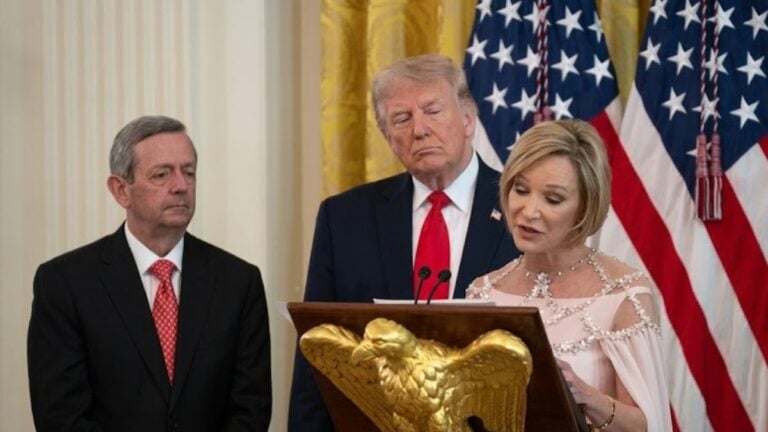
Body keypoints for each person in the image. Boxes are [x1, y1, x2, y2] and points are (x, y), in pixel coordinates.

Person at [288, 54, 520, 430]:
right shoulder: (343, 218)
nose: (420, 129)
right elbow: (315, 355)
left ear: (467, 119)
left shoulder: (521, 208)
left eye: (432, 110)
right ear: (387, 137)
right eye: (402, 118)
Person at [27, 115, 272, 432]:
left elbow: (250, 410)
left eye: (189, 172)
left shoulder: (238, 282)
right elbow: (61, 417)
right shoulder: (64, 284)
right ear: (120, 190)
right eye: (162, 175)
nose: (181, 186)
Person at [467, 119, 672, 431]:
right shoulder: (482, 291)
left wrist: (586, 396)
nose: (528, 211)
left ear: (584, 208)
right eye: (520, 190)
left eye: (552, 199)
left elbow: (648, 425)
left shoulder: (625, 295)